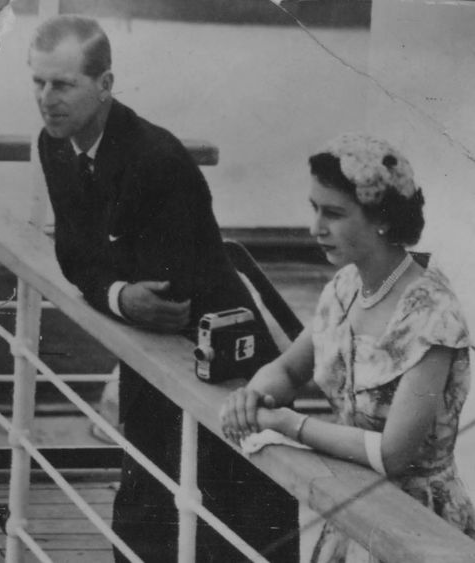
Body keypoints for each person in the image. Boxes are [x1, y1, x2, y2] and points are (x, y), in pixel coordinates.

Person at [28, 14, 299, 563]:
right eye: (38, 82)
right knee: (147, 504)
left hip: (223, 357)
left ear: (105, 85)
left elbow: (169, 300)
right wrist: (120, 296)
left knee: (236, 521)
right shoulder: (55, 146)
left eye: (63, 84)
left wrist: (120, 287)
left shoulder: (156, 160)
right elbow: (74, 257)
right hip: (151, 354)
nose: (46, 99)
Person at [219, 133, 475, 562]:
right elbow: (288, 371)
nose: (316, 228)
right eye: (314, 209)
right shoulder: (345, 287)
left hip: (418, 524)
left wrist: (286, 423)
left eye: (334, 214)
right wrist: (254, 396)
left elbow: (393, 454)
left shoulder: (433, 316)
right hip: (352, 508)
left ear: (384, 220)